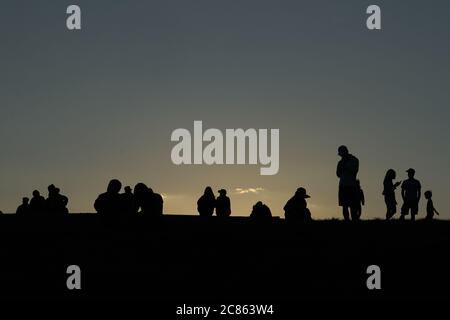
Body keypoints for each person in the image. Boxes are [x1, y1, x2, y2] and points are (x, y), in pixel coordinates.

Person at [336, 145, 359, 220]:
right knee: (344, 206)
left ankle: (354, 219)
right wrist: (341, 166)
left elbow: (354, 171)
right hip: (343, 185)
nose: (340, 155)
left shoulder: (354, 160)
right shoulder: (340, 162)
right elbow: (338, 174)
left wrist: (345, 166)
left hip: (351, 185)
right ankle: (347, 220)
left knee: (353, 206)